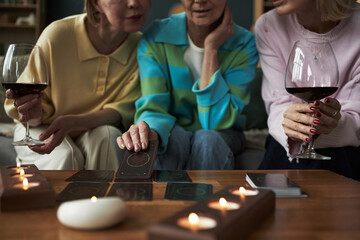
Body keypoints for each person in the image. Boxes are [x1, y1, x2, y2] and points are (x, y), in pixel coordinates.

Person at [4, 0, 150, 170]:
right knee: (66, 156)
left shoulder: (143, 47)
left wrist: (73, 122)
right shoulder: (58, 34)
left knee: (109, 138)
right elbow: (29, 110)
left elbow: (120, 111)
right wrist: (33, 115)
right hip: (42, 125)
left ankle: (109, 196)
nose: (134, 3)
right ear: (95, 3)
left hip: (93, 127)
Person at [117, 0, 258, 170]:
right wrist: (150, 131)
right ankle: (161, 197)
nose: (199, 1)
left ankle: (209, 197)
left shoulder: (245, 43)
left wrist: (211, 48)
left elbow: (215, 122)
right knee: (173, 139)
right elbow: (153, 106)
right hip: (172, 128)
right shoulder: (156, 37)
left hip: (225, 131)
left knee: (207, 140)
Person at [255, 0, 360, 179]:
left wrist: (333, 123)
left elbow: (357, 119)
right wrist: (295, 125)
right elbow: (279, 105)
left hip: (348, 145)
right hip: (287, 143)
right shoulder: (268, 26)